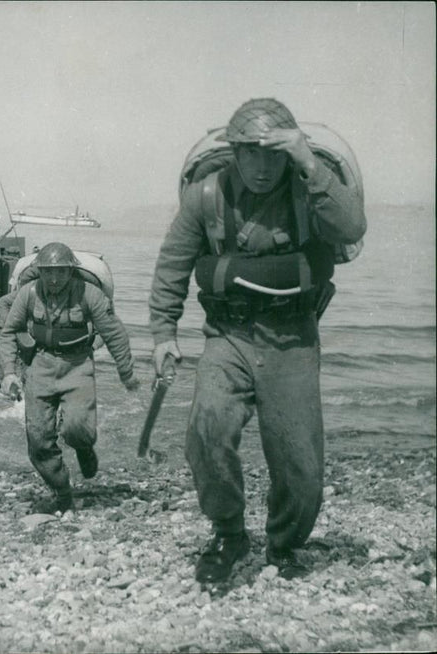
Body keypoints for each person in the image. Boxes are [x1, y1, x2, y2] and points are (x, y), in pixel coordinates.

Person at [148, 98, 366, 583]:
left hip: (292, 339)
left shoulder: (309, 191)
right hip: (229, 337)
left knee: (300, 463)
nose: (263, 167)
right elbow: (172, 266)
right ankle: (228, 533)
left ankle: (285, 544)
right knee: (206, 429)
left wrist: (308, 161)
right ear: (235, 153)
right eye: (252, 153)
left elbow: (352, 227)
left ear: (288, 154)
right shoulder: (204, 198)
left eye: (274, 154)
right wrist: (163, 333)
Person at [0, 242, 140, 513]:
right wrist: (8, 373)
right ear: (39, 271)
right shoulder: (28, 293)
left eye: (61, 272)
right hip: (41, 364)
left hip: (78, 365)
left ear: (71, 271)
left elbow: (113, 332)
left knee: (77, 429)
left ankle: (84, 448)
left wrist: (126, 371)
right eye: (48, 272)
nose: (53, 279)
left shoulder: (90, 294)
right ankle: (62, 491)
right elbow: (8, 332)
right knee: (38, 440)